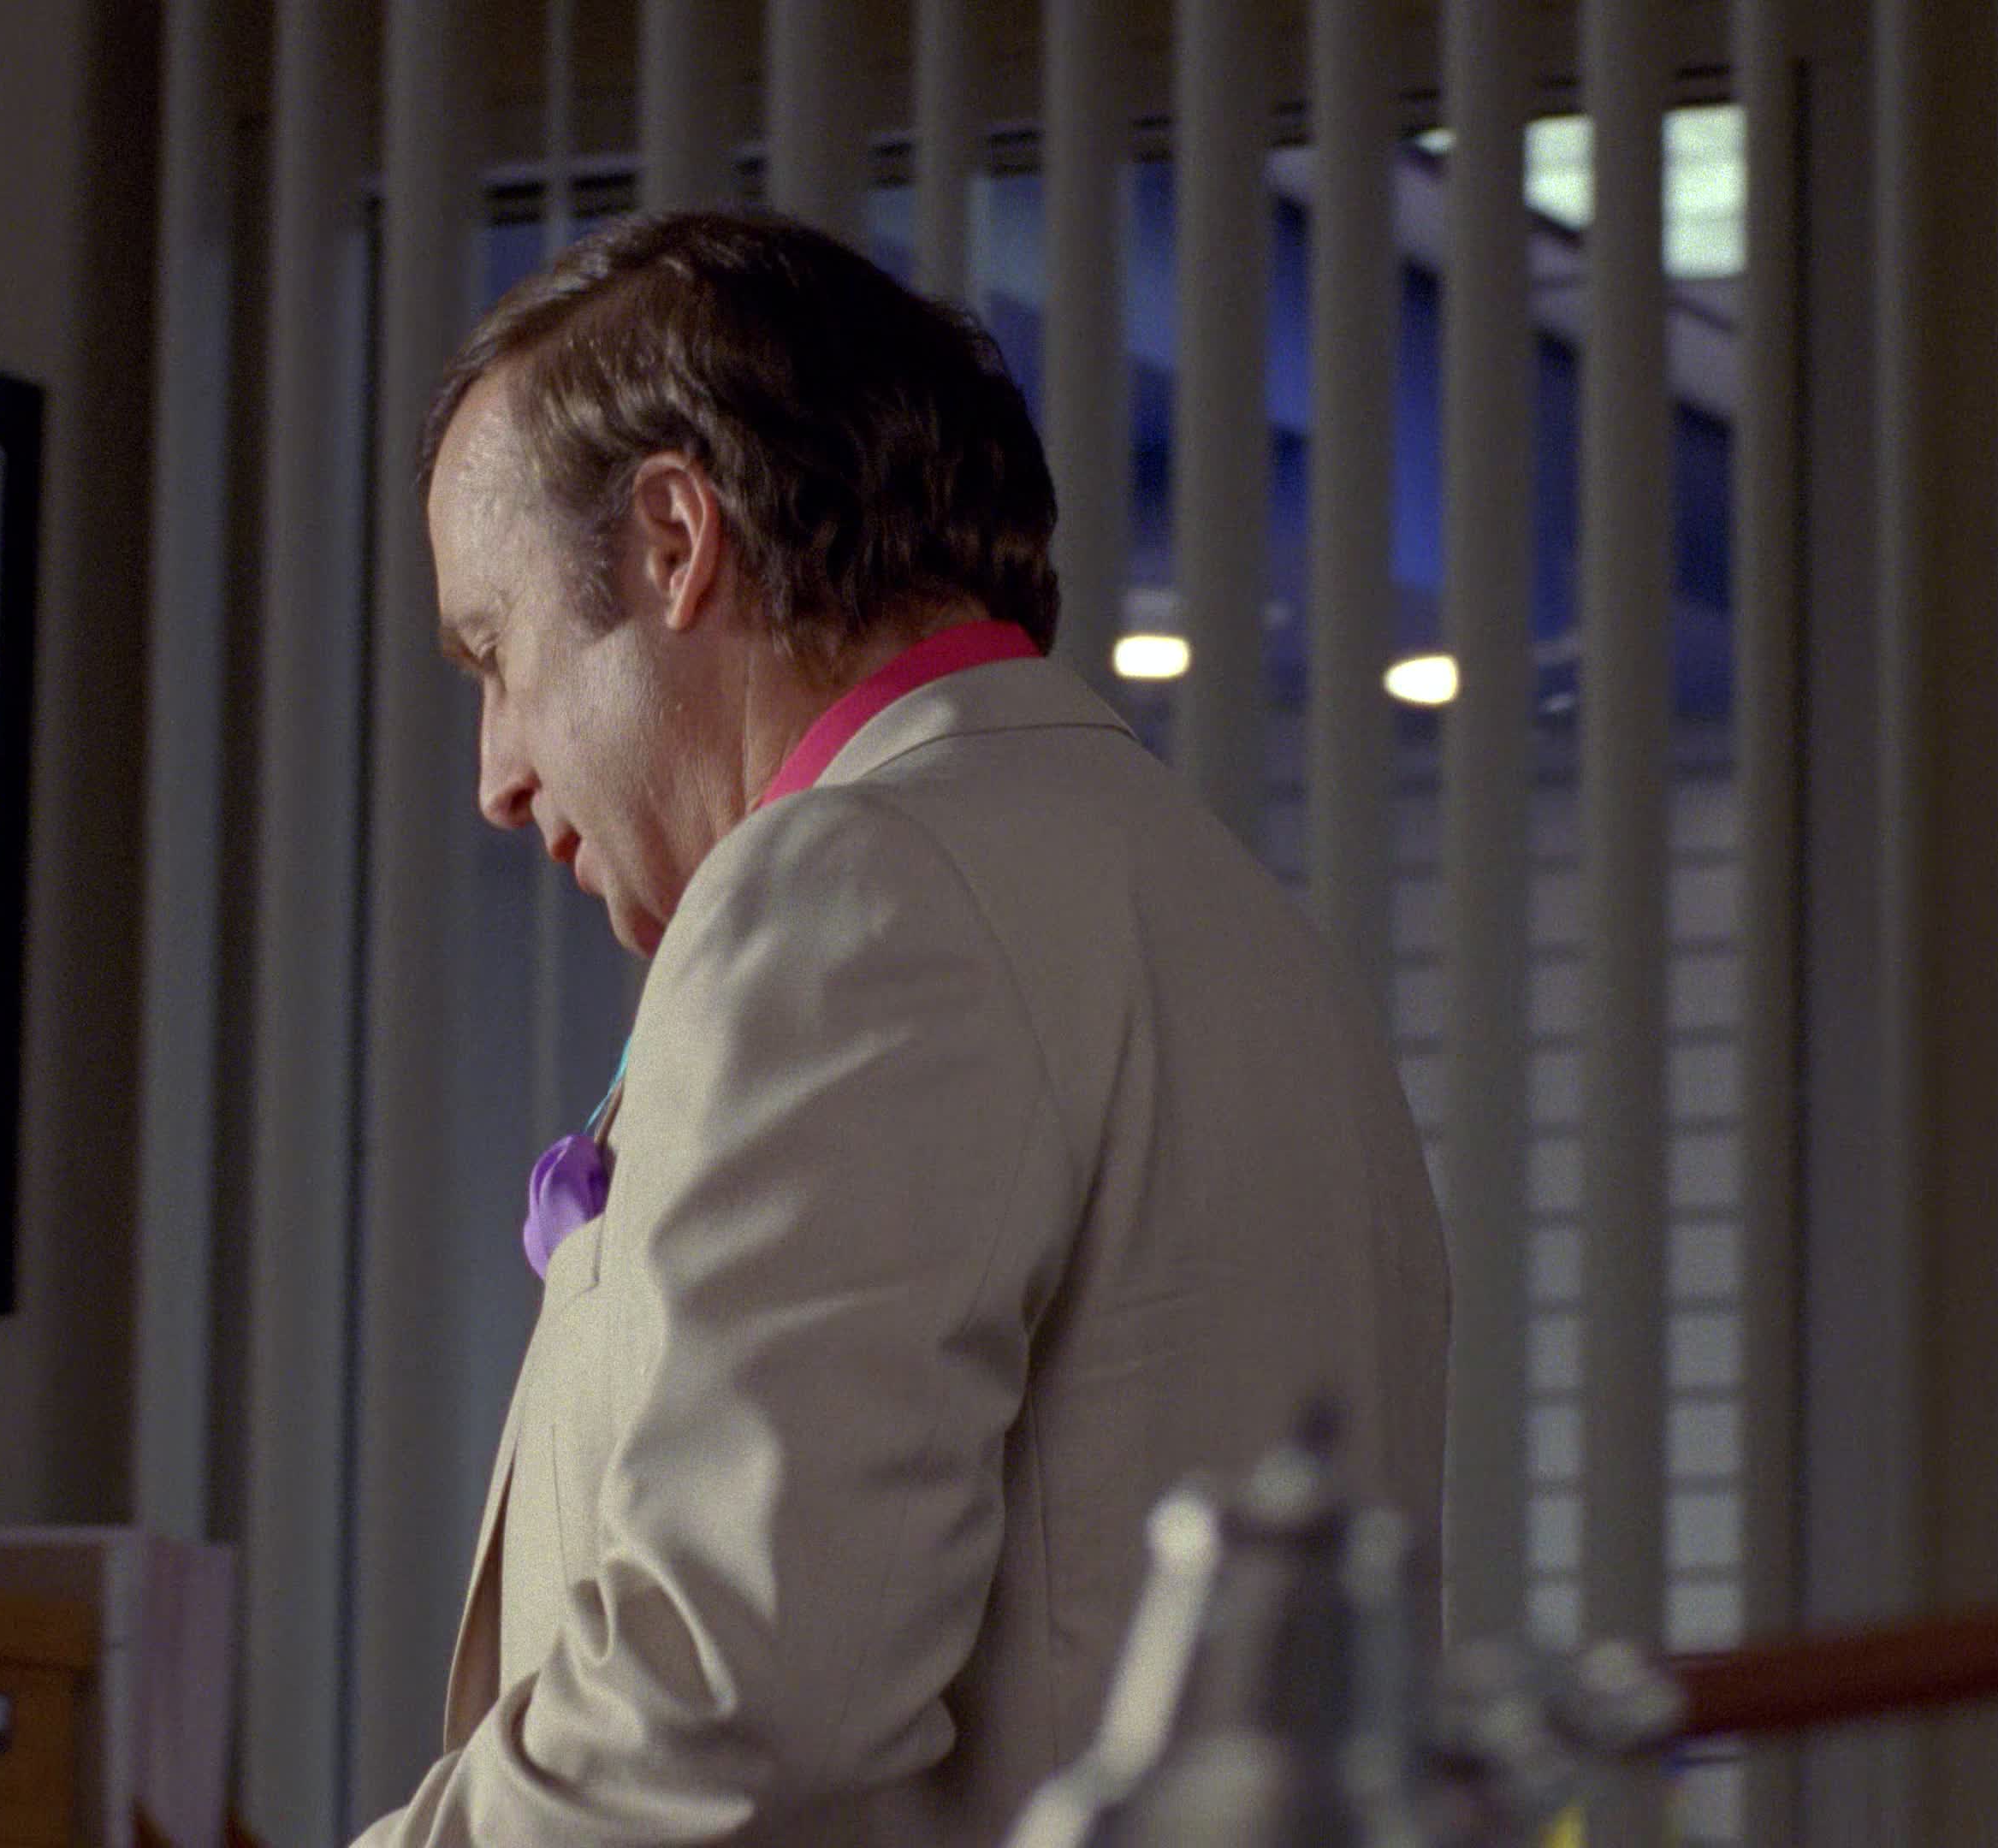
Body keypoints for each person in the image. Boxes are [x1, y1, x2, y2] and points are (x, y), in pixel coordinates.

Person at [353, 210, 1448, 1847]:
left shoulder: (850, 886)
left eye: (499, 655)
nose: (497, 775)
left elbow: (737, 1692)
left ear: (674, 542)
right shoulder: (1246, 929)